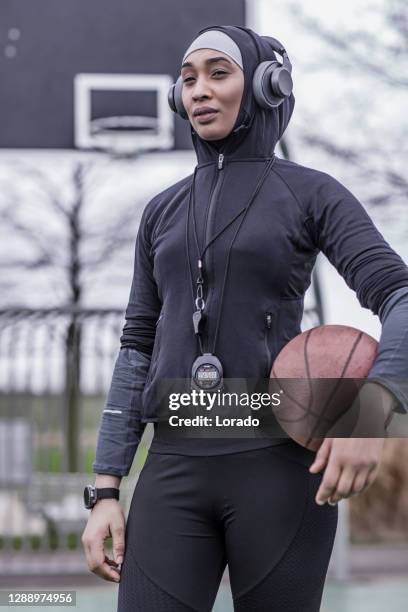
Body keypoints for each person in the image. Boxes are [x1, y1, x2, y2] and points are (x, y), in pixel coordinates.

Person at [82, 25, 408, 611]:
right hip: (173, 464)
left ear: (267, 86)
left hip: (277, 467)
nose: (198, 90)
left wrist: (371, 414)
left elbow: (401, 296)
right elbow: (136, 348)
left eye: (217, 73)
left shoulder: (313, 194)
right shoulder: (161, 212)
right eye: (187, 80)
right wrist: (105, 489)